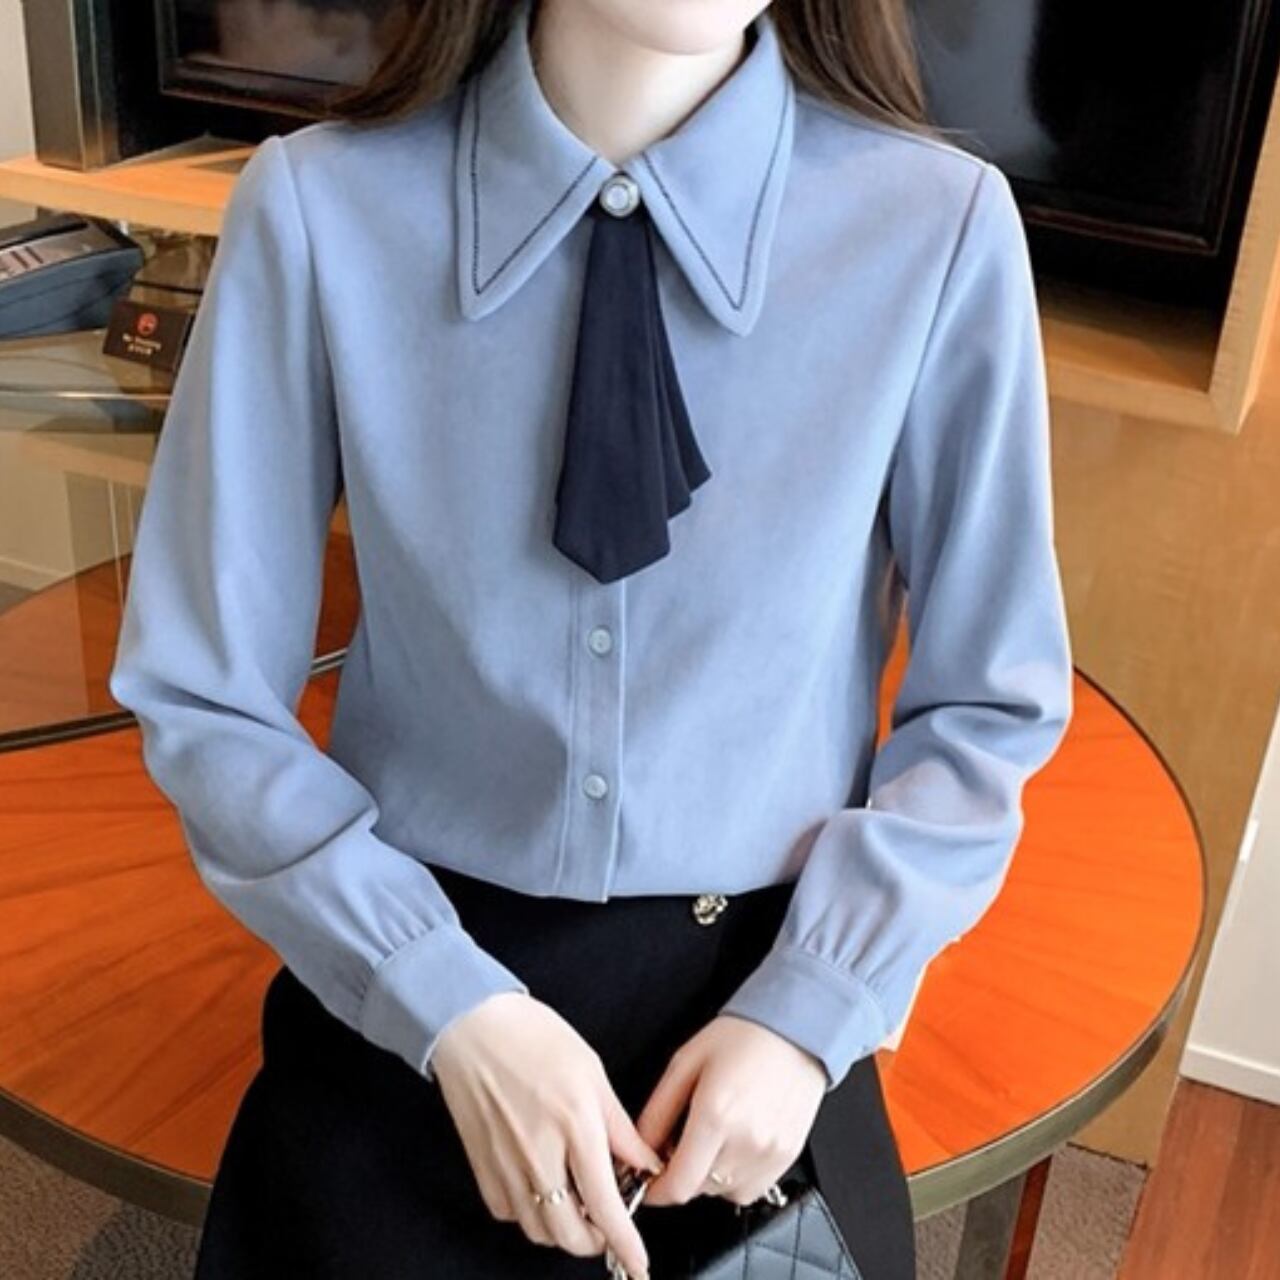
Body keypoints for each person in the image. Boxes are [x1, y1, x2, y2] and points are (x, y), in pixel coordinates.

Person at [107, 0, 1075, 1276]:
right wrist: (441, 998)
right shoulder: (316, 209)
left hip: (756, 1036)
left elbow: (990, 701)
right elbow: (203, 690)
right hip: (408, 1000)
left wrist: (811, 1009)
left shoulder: (937, 229)